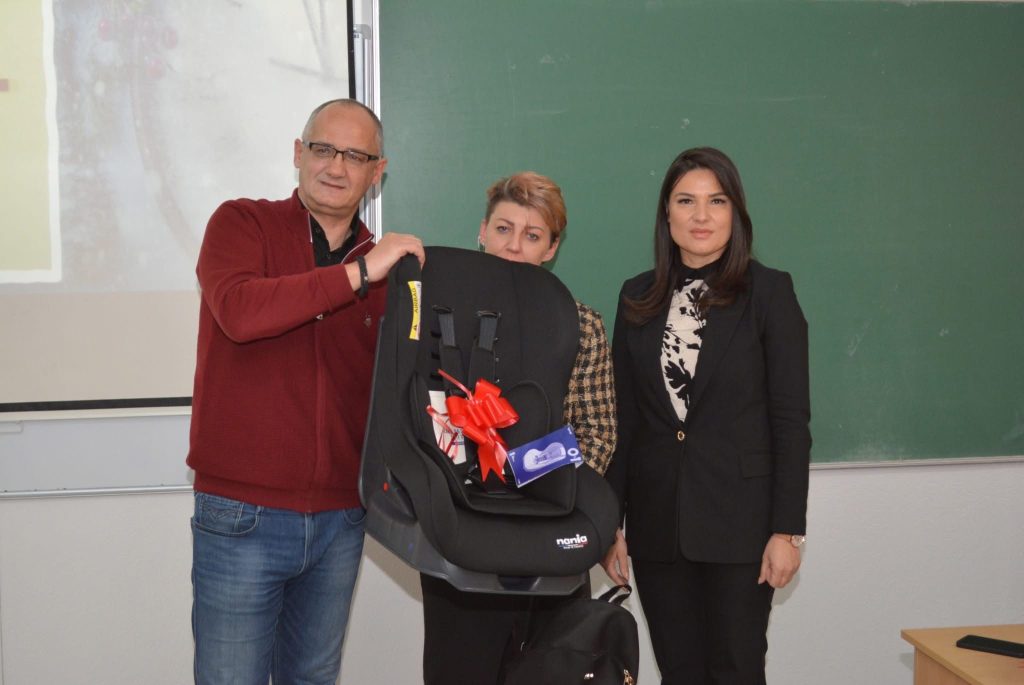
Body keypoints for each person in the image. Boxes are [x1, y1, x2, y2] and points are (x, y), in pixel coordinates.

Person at [187, 98, 424, 685]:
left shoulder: (394, 271)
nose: (336, 167)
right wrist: (360, 273)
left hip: (341, 518)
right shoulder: (241, 224)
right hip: (241, 512)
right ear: (298, 153)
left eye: (356, 156)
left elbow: (401, 387)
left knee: (313, 678)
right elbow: (240, 312)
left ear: (378, 171)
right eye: (323, 149)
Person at [601, 147, 811, 684]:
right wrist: (609, 524)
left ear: (736, 213)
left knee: (736, 670)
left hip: (741, 527)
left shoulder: (770, 292)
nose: (701, 215)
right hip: (657, 528)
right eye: (685, 201)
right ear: (666, 215)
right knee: (679, 672)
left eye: (716, 201)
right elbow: (624, 419)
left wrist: (788, 531)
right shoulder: (636, 296)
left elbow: (790, 420)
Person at [419, 171, 617, 685]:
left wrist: (522, 470)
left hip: (551, 535)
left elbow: (597, 432)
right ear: (482, 231)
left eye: (532, 235)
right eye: (504, 229)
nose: (514, 246)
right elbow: (417, 415)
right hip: (460, 533)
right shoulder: (437, 318)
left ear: (551, 249)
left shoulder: (581, 324)